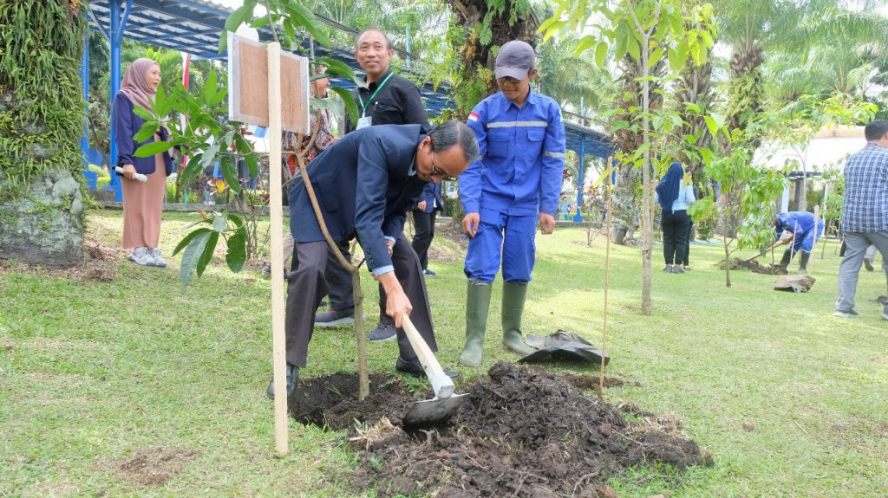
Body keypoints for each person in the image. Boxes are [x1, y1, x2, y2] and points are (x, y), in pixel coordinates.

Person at [266, 121, 479, 398]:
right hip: (319, 201)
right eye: (437, 171)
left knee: (408, 261)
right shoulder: (381, 142)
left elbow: (399, 208)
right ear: (426, 144)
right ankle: (288, 364)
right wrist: (391, 287)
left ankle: (414, 357)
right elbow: (366, 219)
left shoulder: (424, 168)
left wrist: (389, 239)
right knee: (311, 267)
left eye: (446, 178)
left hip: (368, 210)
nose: (436, 180)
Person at [316, 29, 431, 343]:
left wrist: (422, 190)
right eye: (364, 48)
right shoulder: (356, 97)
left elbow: (426, 140)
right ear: (356, 56)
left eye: (378, 47)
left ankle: (388, 318)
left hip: (391, 187)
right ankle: (342, 303)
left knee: (394, 249)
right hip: (359, 185)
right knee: (326, 231)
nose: (371, 53)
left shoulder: (404, 90)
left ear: (390, 53)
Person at [456, 40, 566, 368]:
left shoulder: (549, 112)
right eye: (502, 78)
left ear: (532, 74)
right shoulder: (484, 111)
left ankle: (512, 334)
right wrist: (471, 205)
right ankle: (474, 341)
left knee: (519, 265)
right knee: (482, 264)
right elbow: (471, 162)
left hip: (526, 204)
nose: (506, 85)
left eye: (514, 80)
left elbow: (553, 160)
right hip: (489, 200)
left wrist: (548, 207)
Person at [112, 58, 174, 267]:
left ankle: (152, 247)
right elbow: (123, 131)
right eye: (153, 73)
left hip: (158, 157)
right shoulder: (125, 97)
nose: (158, 77)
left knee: (154, 205)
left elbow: (163, 130)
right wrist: (127, 160)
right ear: (139, 73)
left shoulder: (156, 101)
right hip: (136, 159)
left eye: (159, 73)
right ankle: (137, 248)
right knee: (137, 203)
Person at [834, 120, 888, 319]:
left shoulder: (853, 158)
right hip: (880, 219)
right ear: (886, 136)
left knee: (850, 263)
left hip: (852, 220)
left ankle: (843, 307)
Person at [655, 161, 695, 273]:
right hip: (683, 214)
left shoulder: (663, 183)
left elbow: (655, 199)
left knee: (668, 240)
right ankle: (677, 266)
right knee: (681, 240)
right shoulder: (686, 182)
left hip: (667, 213)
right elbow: (691, 200)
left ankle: (668, 265)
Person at [411, 181, 443, 276]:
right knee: (423, 233)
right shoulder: (424, 166)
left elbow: (439, 180)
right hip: (422, 201)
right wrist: (420, 198)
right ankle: (409, 264)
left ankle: (422, 268)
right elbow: (417, 180)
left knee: (429, 234)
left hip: (433, 202)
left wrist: (439, 198)